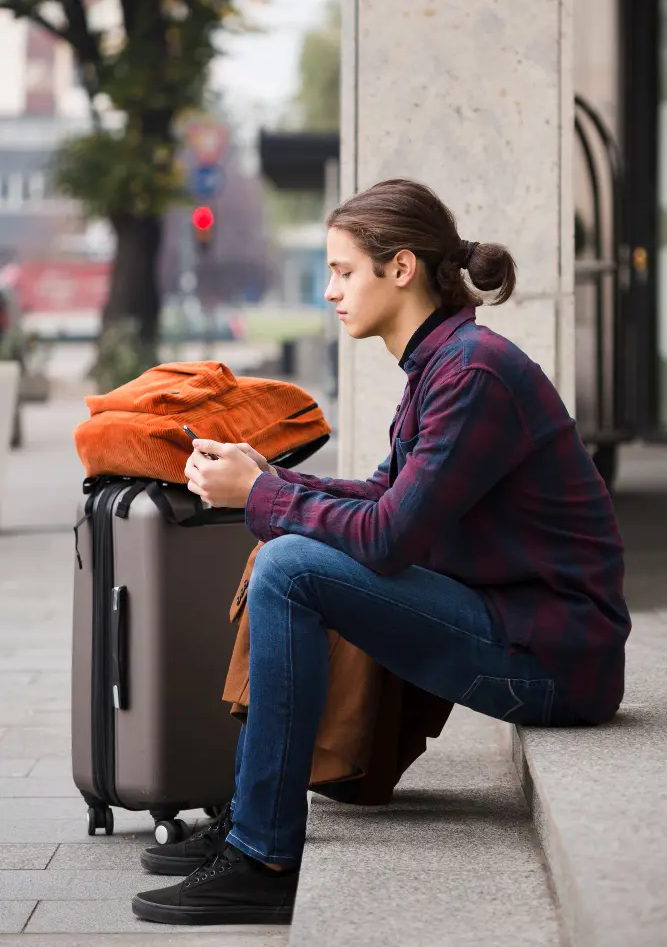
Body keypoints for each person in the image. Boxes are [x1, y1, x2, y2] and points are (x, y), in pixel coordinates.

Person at [132, 178, 630, 926]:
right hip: (517, 624)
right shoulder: (444, 362)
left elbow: (391, 535)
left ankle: (262, 853)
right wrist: (270, 480)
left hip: (553, 660)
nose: (330, 290)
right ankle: (252, 814)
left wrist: (263, 500)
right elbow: (385, 495)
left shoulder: (472, 374)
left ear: (400, 268)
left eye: (343, 271)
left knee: (290, 565)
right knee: (292, 546)